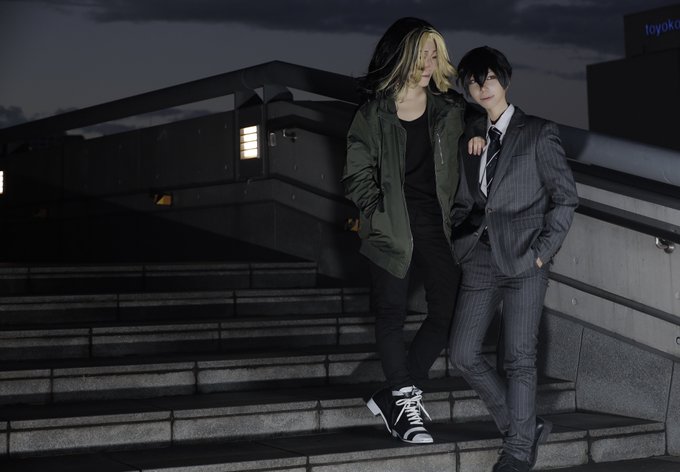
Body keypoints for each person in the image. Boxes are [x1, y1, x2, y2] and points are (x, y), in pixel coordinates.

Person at [342, 17, 483, 444]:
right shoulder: (373, 114)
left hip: (436, 223)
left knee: (448, 310)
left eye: (434, 54)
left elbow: (479, 114)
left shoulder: (448, 108)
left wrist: (478, 130)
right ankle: (403, 402)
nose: (428, 63)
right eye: (421, 54)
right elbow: (356, 174)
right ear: (400, 56)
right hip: (391, 224)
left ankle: (397, 393)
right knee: (391, 313)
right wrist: (377, 213)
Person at [448, 46, 578, 471]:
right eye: (473, 82)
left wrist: (541, 255)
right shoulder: (472, 137)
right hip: (479, 259)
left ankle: (518, 452)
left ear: (504, 79)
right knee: (462, 353)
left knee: (519, 358)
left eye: (488, 78)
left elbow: (565, 198)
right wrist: (460, 238)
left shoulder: (538, 132)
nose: (481, 87)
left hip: (525, 262)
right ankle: (523, 426)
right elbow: (465, 200)